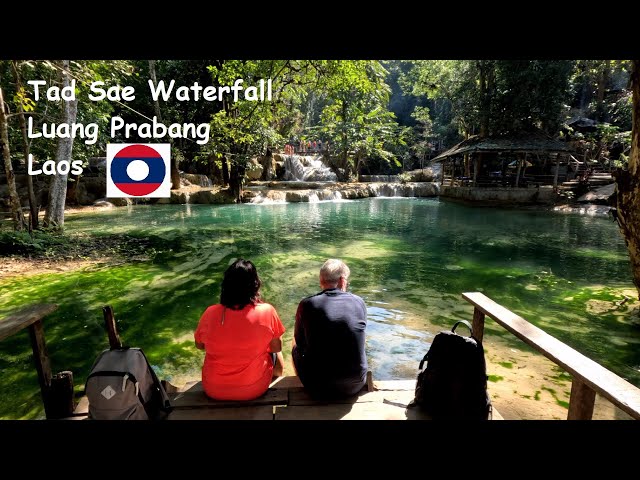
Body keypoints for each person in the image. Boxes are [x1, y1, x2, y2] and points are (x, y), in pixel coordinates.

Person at [195, 258, 285, 401]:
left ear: (226, 286)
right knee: (276, 349)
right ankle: (279, 379)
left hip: (213, 389)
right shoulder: (267, 311)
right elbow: (276, 348)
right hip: (253, 389)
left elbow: (200, 346)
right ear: (255, 285)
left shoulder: (210, 312)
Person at [292, 259, 368, 399]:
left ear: (321, 281)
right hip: (354, 385)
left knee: (294, 343)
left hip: (316, 387)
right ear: (342, 281)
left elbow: (300, 343)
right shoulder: (359, 302)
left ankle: (300, 379)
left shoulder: (306, 304)